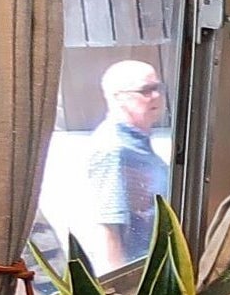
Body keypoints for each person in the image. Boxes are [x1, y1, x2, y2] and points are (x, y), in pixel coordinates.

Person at [73, 57, 170, 269]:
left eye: (157, 88)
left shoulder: (138, 141)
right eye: (145, 90)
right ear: (118, 98)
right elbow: (109, 226)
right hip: (142, 271)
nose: (156, 96)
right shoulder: (114, 148)